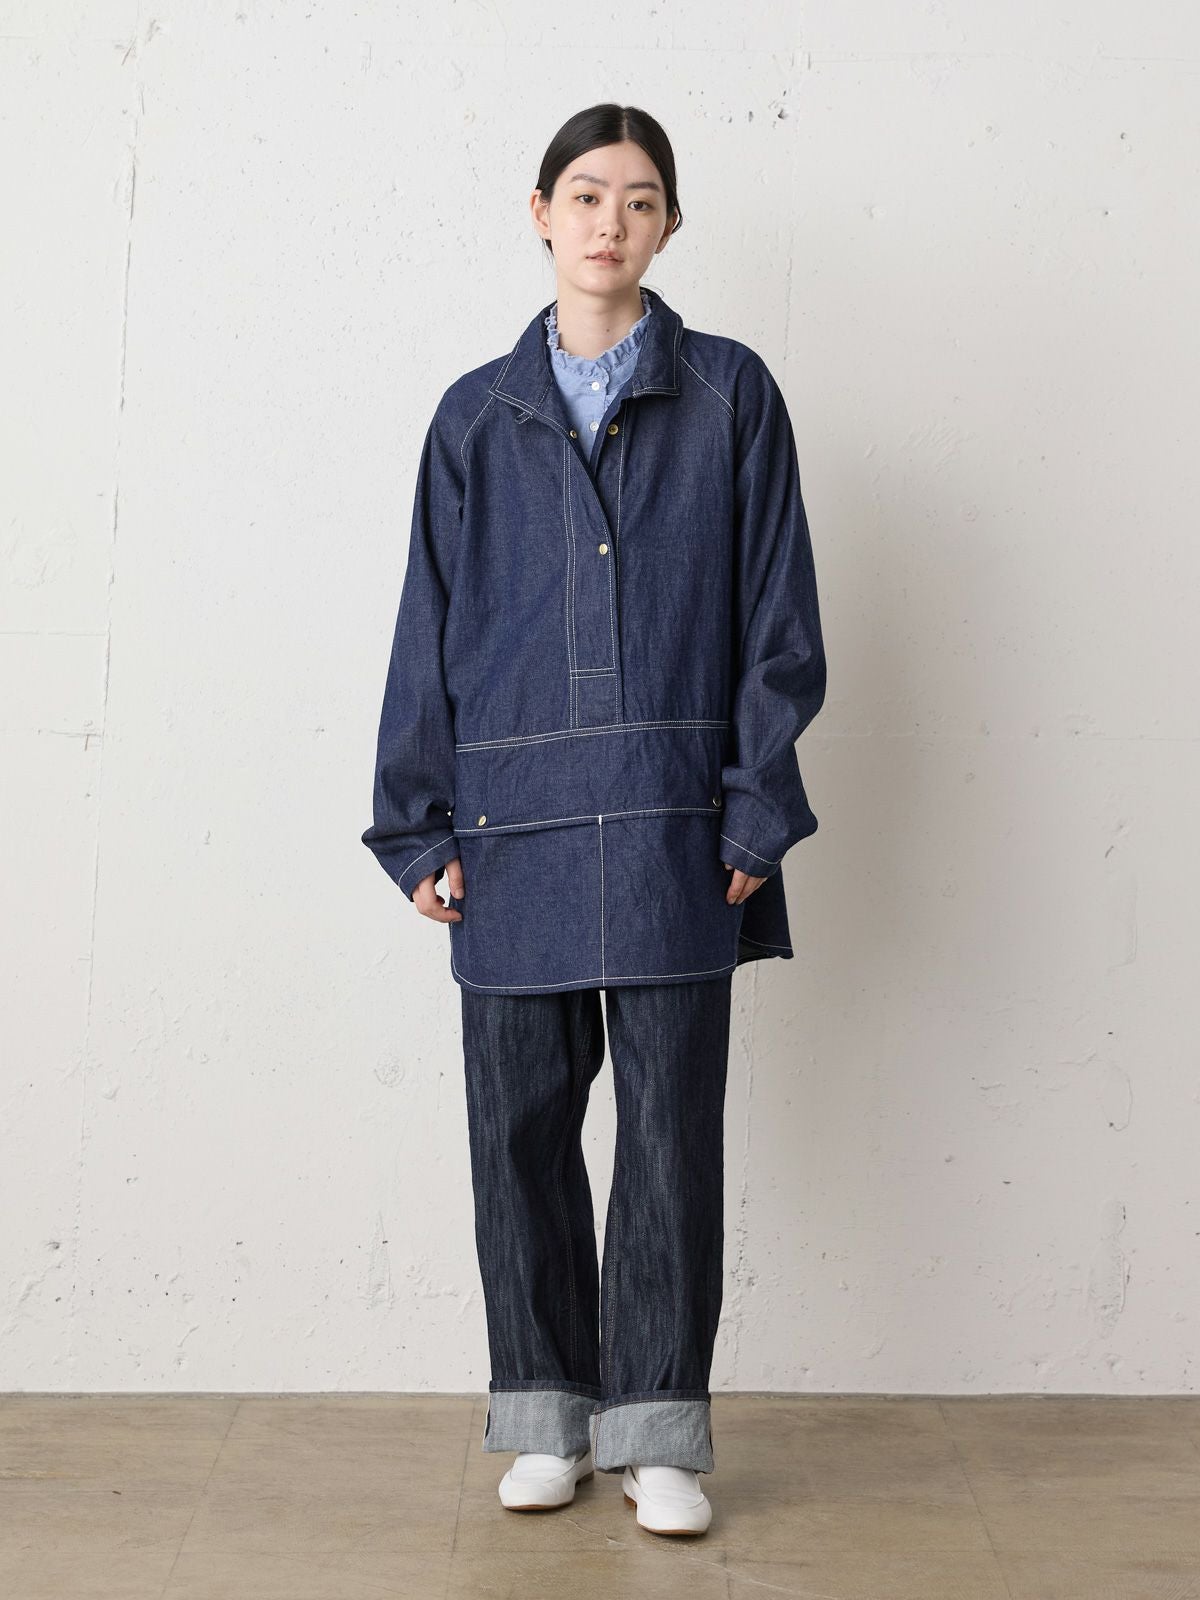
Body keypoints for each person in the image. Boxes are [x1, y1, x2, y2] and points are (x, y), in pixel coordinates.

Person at [361, 103, 827, 1538]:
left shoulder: (731, 395)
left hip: (685, 824)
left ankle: (659, 1429)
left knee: (671, 1140)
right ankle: (547, 1415)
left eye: (637, 199)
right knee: (519, 1133)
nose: (608, 221)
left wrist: (756, 807)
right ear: (540, 213)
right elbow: (429, 623)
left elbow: (780, 616)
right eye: (584, 193)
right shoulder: (474, 415)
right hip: (511, 827)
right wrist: (418, 825)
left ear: (669, 225)